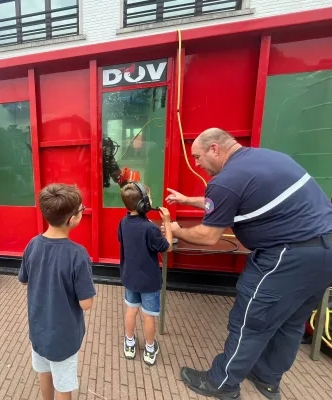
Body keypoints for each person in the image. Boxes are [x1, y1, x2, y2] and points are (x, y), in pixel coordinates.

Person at [162, 128, 332, 400]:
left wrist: (176, 229)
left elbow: (208, 235)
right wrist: (186, 200)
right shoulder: (266, 159)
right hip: (324, 253)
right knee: (290, 323)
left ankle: (222, 383)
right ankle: (267, 379)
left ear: (214, 149)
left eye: (197, 157)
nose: (197, 164)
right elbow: (227, 200)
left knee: (250, 322)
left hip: (286, 257)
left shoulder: (227, 179)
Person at [18, 183, 97, 400]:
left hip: (38, 331)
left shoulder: (32, 244)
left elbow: (24, 281)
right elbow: (86, 304)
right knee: (64, 384)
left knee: (44, 373)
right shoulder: (78, 254)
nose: (83, 211)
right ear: (72, 219)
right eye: (82, 210)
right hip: (64, 336)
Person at [118, 182, 173, 366]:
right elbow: (167, 247)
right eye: (149, 198)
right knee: (148, 316)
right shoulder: (150, 229)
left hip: (130, 277)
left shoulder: (123, 222)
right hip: (149, 281)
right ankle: (150, 349)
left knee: (131, 310)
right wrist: (166, 222)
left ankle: (130, 343)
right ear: (144, 205)